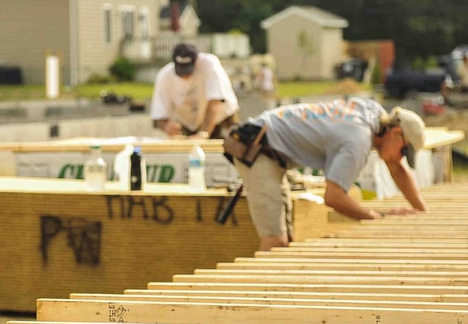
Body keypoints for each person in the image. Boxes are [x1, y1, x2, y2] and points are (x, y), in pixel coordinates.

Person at [228, 98, 427, 251]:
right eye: (403, 151)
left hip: (270, 144)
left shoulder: (372, 112)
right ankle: (261, 302)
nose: (399, 158)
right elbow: (334, 197)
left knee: (286, 242)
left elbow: (397, 169)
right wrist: (378, 217)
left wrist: (421, 212)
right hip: (257, 147)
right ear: (396, 133)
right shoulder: (358, 141)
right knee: (275, 241)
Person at [151, 42, 239, 139]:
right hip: (190, 124)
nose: (185, 75)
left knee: (235, 146)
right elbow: (159, 116)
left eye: (187, 69)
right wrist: (167, 126)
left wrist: (204, 133)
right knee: (192, 151)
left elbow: (215, 103)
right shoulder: (164, 76)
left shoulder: (210, 64)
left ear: (197, 61)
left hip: (221, 118)